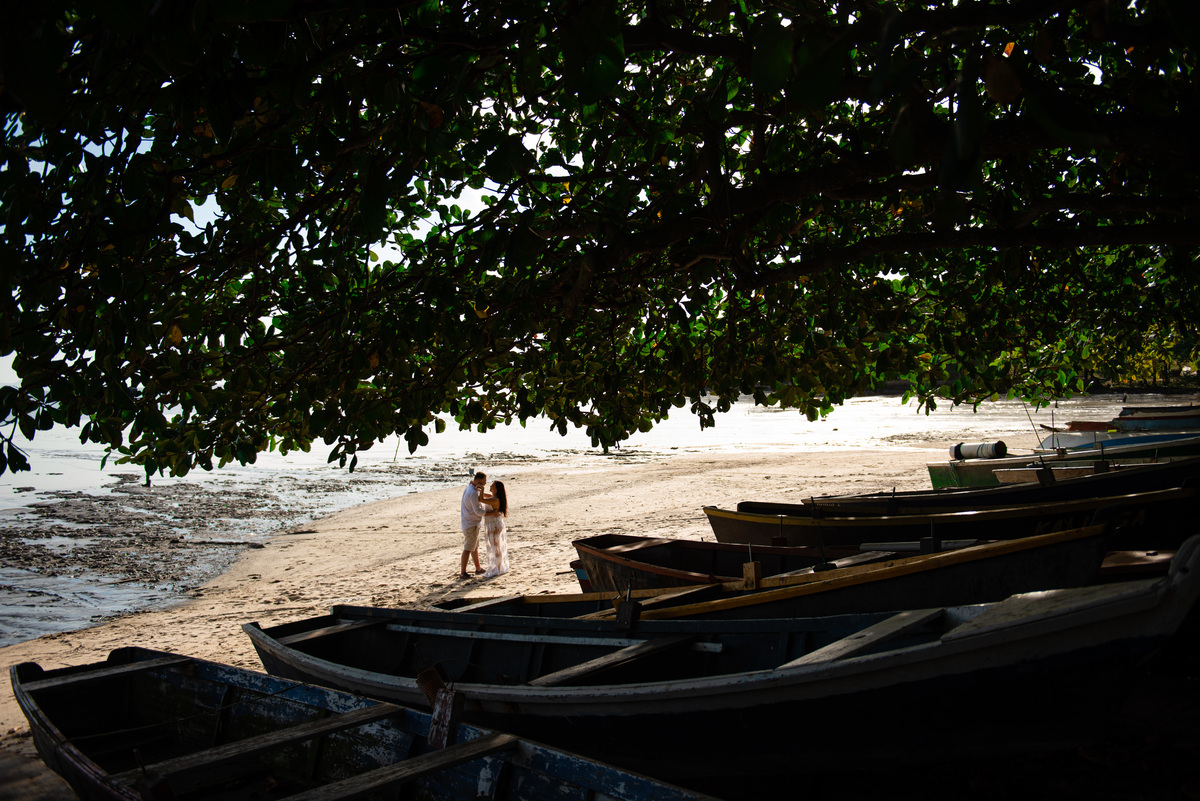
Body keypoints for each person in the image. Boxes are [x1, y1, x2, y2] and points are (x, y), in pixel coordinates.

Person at [459, 472, 486, 578]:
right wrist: (490, 513)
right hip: (471, 523)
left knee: (474, 547)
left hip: (472, 522)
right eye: (484, 483)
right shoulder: (473, 492)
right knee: (468, 548)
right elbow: (478, 511)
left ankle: (478, 568)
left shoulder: (471, 488)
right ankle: (463, 572)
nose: (485, 484)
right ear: (478, 482)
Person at [480, 480, 509, 578]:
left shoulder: (495, 499)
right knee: (495, 546)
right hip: (492, 523)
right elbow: (484, 495)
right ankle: (498, 566)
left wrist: (481, 489)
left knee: (495, 546)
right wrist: (477, 488)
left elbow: (481, 499)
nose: (490, 487)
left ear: (496, 489)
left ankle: (498, 566)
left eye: (492, 486)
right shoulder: (493, 497)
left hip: (494, 524)